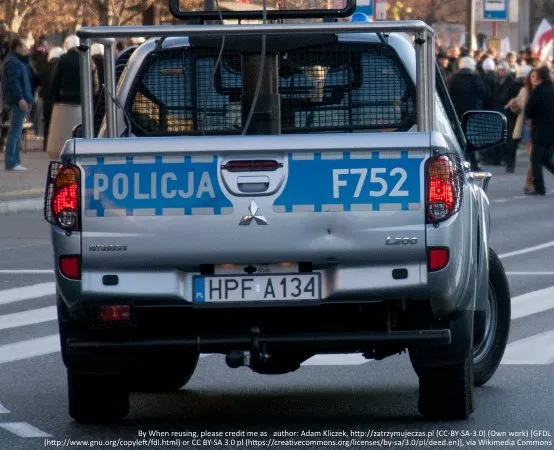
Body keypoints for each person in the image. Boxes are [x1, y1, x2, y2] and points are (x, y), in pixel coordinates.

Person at [47, 35, 99, 158]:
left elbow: (56, 80)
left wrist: (55, 98)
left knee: (64, 129)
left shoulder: (62, 59)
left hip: (65, 99)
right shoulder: (87, 59)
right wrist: (93, 97)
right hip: (83, 100)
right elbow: (94, 82)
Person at [448, 56, 487, 171]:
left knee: (459, 138)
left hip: (457, 113)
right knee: (472, 139)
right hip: (472, 113)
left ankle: (460, 163)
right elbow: (483, 93)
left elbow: (449, 94)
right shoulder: (475, 78)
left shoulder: (453, 78)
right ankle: (473, 164)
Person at [1, 37, 33, 171]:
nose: (26, 49)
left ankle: (15, 161)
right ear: (17, 48)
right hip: (19, 100)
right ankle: (12, 161)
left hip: (21, 99)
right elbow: (15, 82)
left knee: (17, 130)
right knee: (15, 130)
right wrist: (20, 98)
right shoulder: (13, 62)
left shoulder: (16, 61)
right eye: (24, 46)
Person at [524, 66, 554, 196]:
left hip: (540, 129)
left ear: (540, 77)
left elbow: (528, 111)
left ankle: (540, 187)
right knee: (544, 158)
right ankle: (539, 186)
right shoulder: (552, 89)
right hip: (552, 129)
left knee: (535, 158)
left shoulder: (538, 91)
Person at [506, 66, 534, 190]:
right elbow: (518, 109)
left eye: (535, 77)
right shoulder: (523, 90)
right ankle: (530, 183)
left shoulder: (542, 90)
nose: (533, 80)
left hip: (539, 125)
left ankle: (531, 182)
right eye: (532, 77)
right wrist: (513, 105)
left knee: (536, 157)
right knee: (533, 156)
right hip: (527, 126)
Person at [493, 61, 519, 172]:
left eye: (503, 70)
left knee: (509, 138)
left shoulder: (511, 82)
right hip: (499, 111)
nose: (500, 72)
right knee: (502, 138)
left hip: (509, 113)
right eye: (499, 70)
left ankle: (510, 163)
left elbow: (511, 97)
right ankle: (505, 159)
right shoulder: (497, 81)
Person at [42, 46, 64, 152]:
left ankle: (46, 144)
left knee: (47, 123)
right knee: (58, 123)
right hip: (58, 100)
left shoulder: (44, 67)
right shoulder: (62, 67)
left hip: (46, 100)